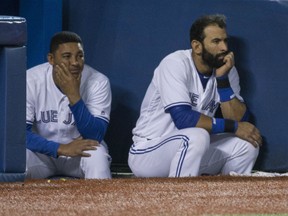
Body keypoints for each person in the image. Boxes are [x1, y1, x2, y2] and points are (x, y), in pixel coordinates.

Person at [128, 14, 262, 177]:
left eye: (225, 40)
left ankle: (226, 198)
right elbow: (183, 119)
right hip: (149, 151)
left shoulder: (226, 69)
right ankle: (180, 198)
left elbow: (239, 121)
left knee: (247, 143)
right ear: (197, 46)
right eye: (216, 41)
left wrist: (222, 81)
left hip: (191, 149)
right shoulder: (174, 63)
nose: (224, 48)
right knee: (196, 136)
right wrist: (233, 127)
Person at [26, 31, 112, 179]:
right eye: (67, 56)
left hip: (80, 154)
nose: (75, 62)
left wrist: (74, 95)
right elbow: (20, 135)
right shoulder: (31, 80)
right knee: (17, 159)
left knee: (97, 157)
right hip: (41, 155)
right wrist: (61, 148)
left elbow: (95, 135)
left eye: (80, 55)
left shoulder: (98, 82)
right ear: (51, 59)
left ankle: (103, 202)